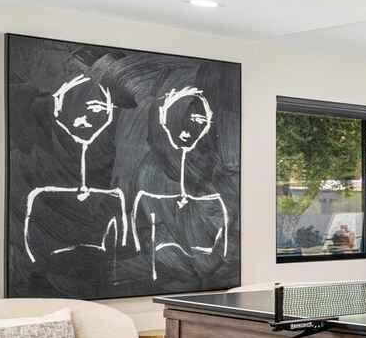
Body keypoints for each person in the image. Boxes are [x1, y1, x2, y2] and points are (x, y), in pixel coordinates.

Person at [23, 74, 128, 262]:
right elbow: (33, 253)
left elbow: (122, 253)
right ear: (58, 110)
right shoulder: (39, 188)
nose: (83, 118)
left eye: (98, 108)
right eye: (74, 108)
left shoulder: (113, 195)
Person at [131, 86, 231, 281]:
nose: (188, 130)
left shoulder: (212, 168)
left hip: (209, 269)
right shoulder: (151, 170)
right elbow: (146, 231)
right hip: (171, 269)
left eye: (198, 121)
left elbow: (224, 229)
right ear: (166, 119)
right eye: (181, 118)